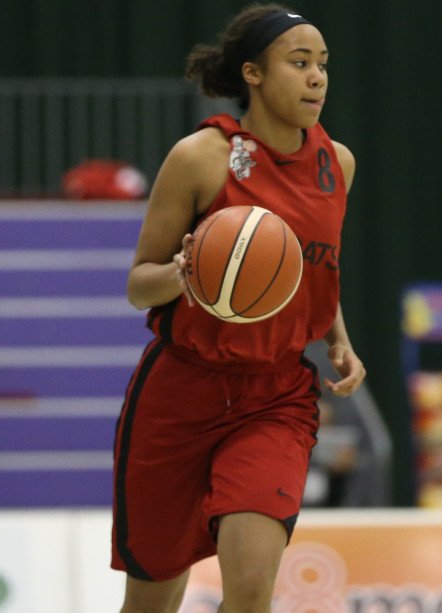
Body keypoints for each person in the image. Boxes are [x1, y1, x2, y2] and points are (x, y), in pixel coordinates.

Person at [111, 5, 366, 612]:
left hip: (275, 395)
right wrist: (182, 274)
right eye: (299, 63)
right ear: (252, 73)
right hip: (181, 390)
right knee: (150, 601)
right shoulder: (200, 157)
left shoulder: (338, 164)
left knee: (250, 593)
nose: (317, 77)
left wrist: (338, 338)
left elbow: (311, 267)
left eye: (323, 64)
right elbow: (139, 284)